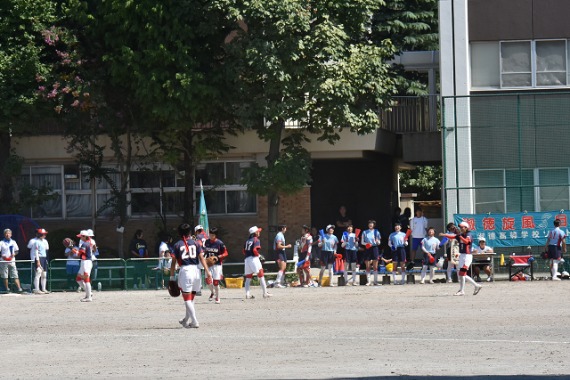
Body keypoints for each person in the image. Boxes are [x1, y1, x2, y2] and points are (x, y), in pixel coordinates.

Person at [170, 223, 211, 328]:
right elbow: (202, 258)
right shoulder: (196, 243)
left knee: (187, 299)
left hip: (186, 271)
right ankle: (185, 320)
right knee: (191, 298)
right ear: (190, 232)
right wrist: (208, 272)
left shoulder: (177, 245)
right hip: (196, 271)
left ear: (179, 233)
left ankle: (195, 321)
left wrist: (171, 277)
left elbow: (173, 263)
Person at [440, 221, 482, 296]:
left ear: (466, 228)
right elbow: (452, 236)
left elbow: (466, 242)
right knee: (461, 274)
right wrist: (445, 235)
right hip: (462, 256)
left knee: (462, 273)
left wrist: (459, 236)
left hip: (467, 256)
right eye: (460, 227)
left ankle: (475, 286)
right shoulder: (461, 235)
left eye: (462, 227)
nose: (461, 228)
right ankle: (463, 290)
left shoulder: (469, 234)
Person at [243, 226, 271, 299]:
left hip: (247, 259)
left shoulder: (247, 241)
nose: (259, 232)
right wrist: (259, 256)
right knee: (261, 275)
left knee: (248, 278)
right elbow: (255, 250)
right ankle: (265, 293)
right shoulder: (256, 240)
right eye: (258, 231)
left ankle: (247, 294)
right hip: (254, 259)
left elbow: (244, 251)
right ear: (255, 233)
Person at [203, 227, 228, 304]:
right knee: (208, 280)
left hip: (217, 265)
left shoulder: (219, 243)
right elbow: (205, 252)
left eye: (212, 235)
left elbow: (226, 253)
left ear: (215, 235)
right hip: (208, 264)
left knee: (216, 282)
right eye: (210, 234)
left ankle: (217, 297)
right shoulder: (207, 242)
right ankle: (212, 292)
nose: (210, 236)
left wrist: (218, 257)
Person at [0, 229, 23, 293]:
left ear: (11, 234)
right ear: (4, 235)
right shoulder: (1, 243)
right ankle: (7, 288)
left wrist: (14, 254)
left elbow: (17, 251)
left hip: (12, 261)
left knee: (15, 274)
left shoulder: (13, 242)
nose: (7, 235)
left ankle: (19, 288)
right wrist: (2, 256)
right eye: (6, 233)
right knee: (5, 275)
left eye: (9, 233)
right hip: (4, 261)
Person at [76, 230, 96, 302]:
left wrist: (72, 249)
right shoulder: (88, 242)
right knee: (78, 279)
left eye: (81, 236)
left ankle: (89, 297)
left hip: (86, 262)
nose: (80, 237)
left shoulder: (85, 244)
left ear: (84, 236)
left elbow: (79, 254)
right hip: (84, 262)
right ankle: (89, 293)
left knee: (86, 279)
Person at [29, 228, 50, 294]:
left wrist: (46, 259)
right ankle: (37, 289)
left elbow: (46, 250)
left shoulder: (45, 241)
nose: (44, 235)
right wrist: (37, 261)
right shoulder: (36, 242)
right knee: (38, 274)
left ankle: (44, 288)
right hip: (39, 258)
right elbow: (36, 252)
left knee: (44, 274)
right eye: (43, 234)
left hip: (44, 258)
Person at [361, 220, 381, 286]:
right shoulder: (364, 232)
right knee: (368, 265)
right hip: (367, 248)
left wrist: (378, 242)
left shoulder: (376, 232)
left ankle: (375, 281)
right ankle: (369, 281)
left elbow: (379, 242)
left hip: (374, 248)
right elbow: (362, 242)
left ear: (374, 225)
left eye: (372, 224)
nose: (370, 225)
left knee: (375, 265)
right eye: (369, 224)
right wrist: (367, 244)